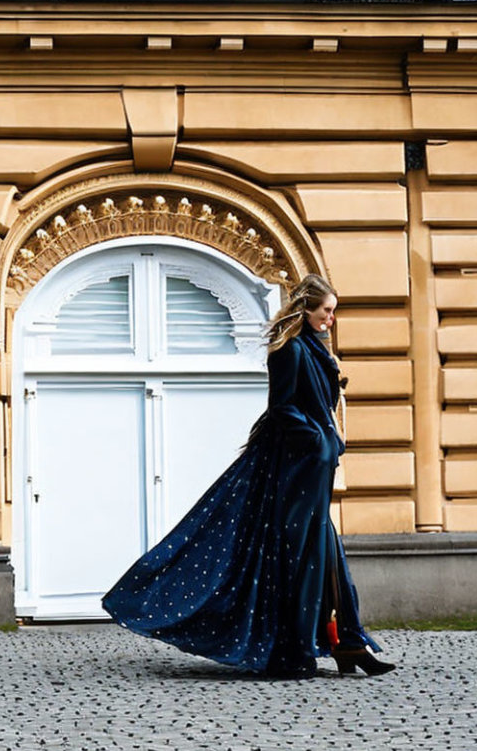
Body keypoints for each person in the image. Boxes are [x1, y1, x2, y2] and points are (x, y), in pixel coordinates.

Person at [102, 273, 394, 679]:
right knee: (301, 558)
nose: (331, 319)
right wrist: (316, 439)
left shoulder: (313, 348)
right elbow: (283, 408)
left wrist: (328, 439)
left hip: (314, 469)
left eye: (333, 312)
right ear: (305, 308)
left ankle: (348, 644)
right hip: (294, 469)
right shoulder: (290, 350)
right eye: (326, 310)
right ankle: (293, 651)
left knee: (325, 557)